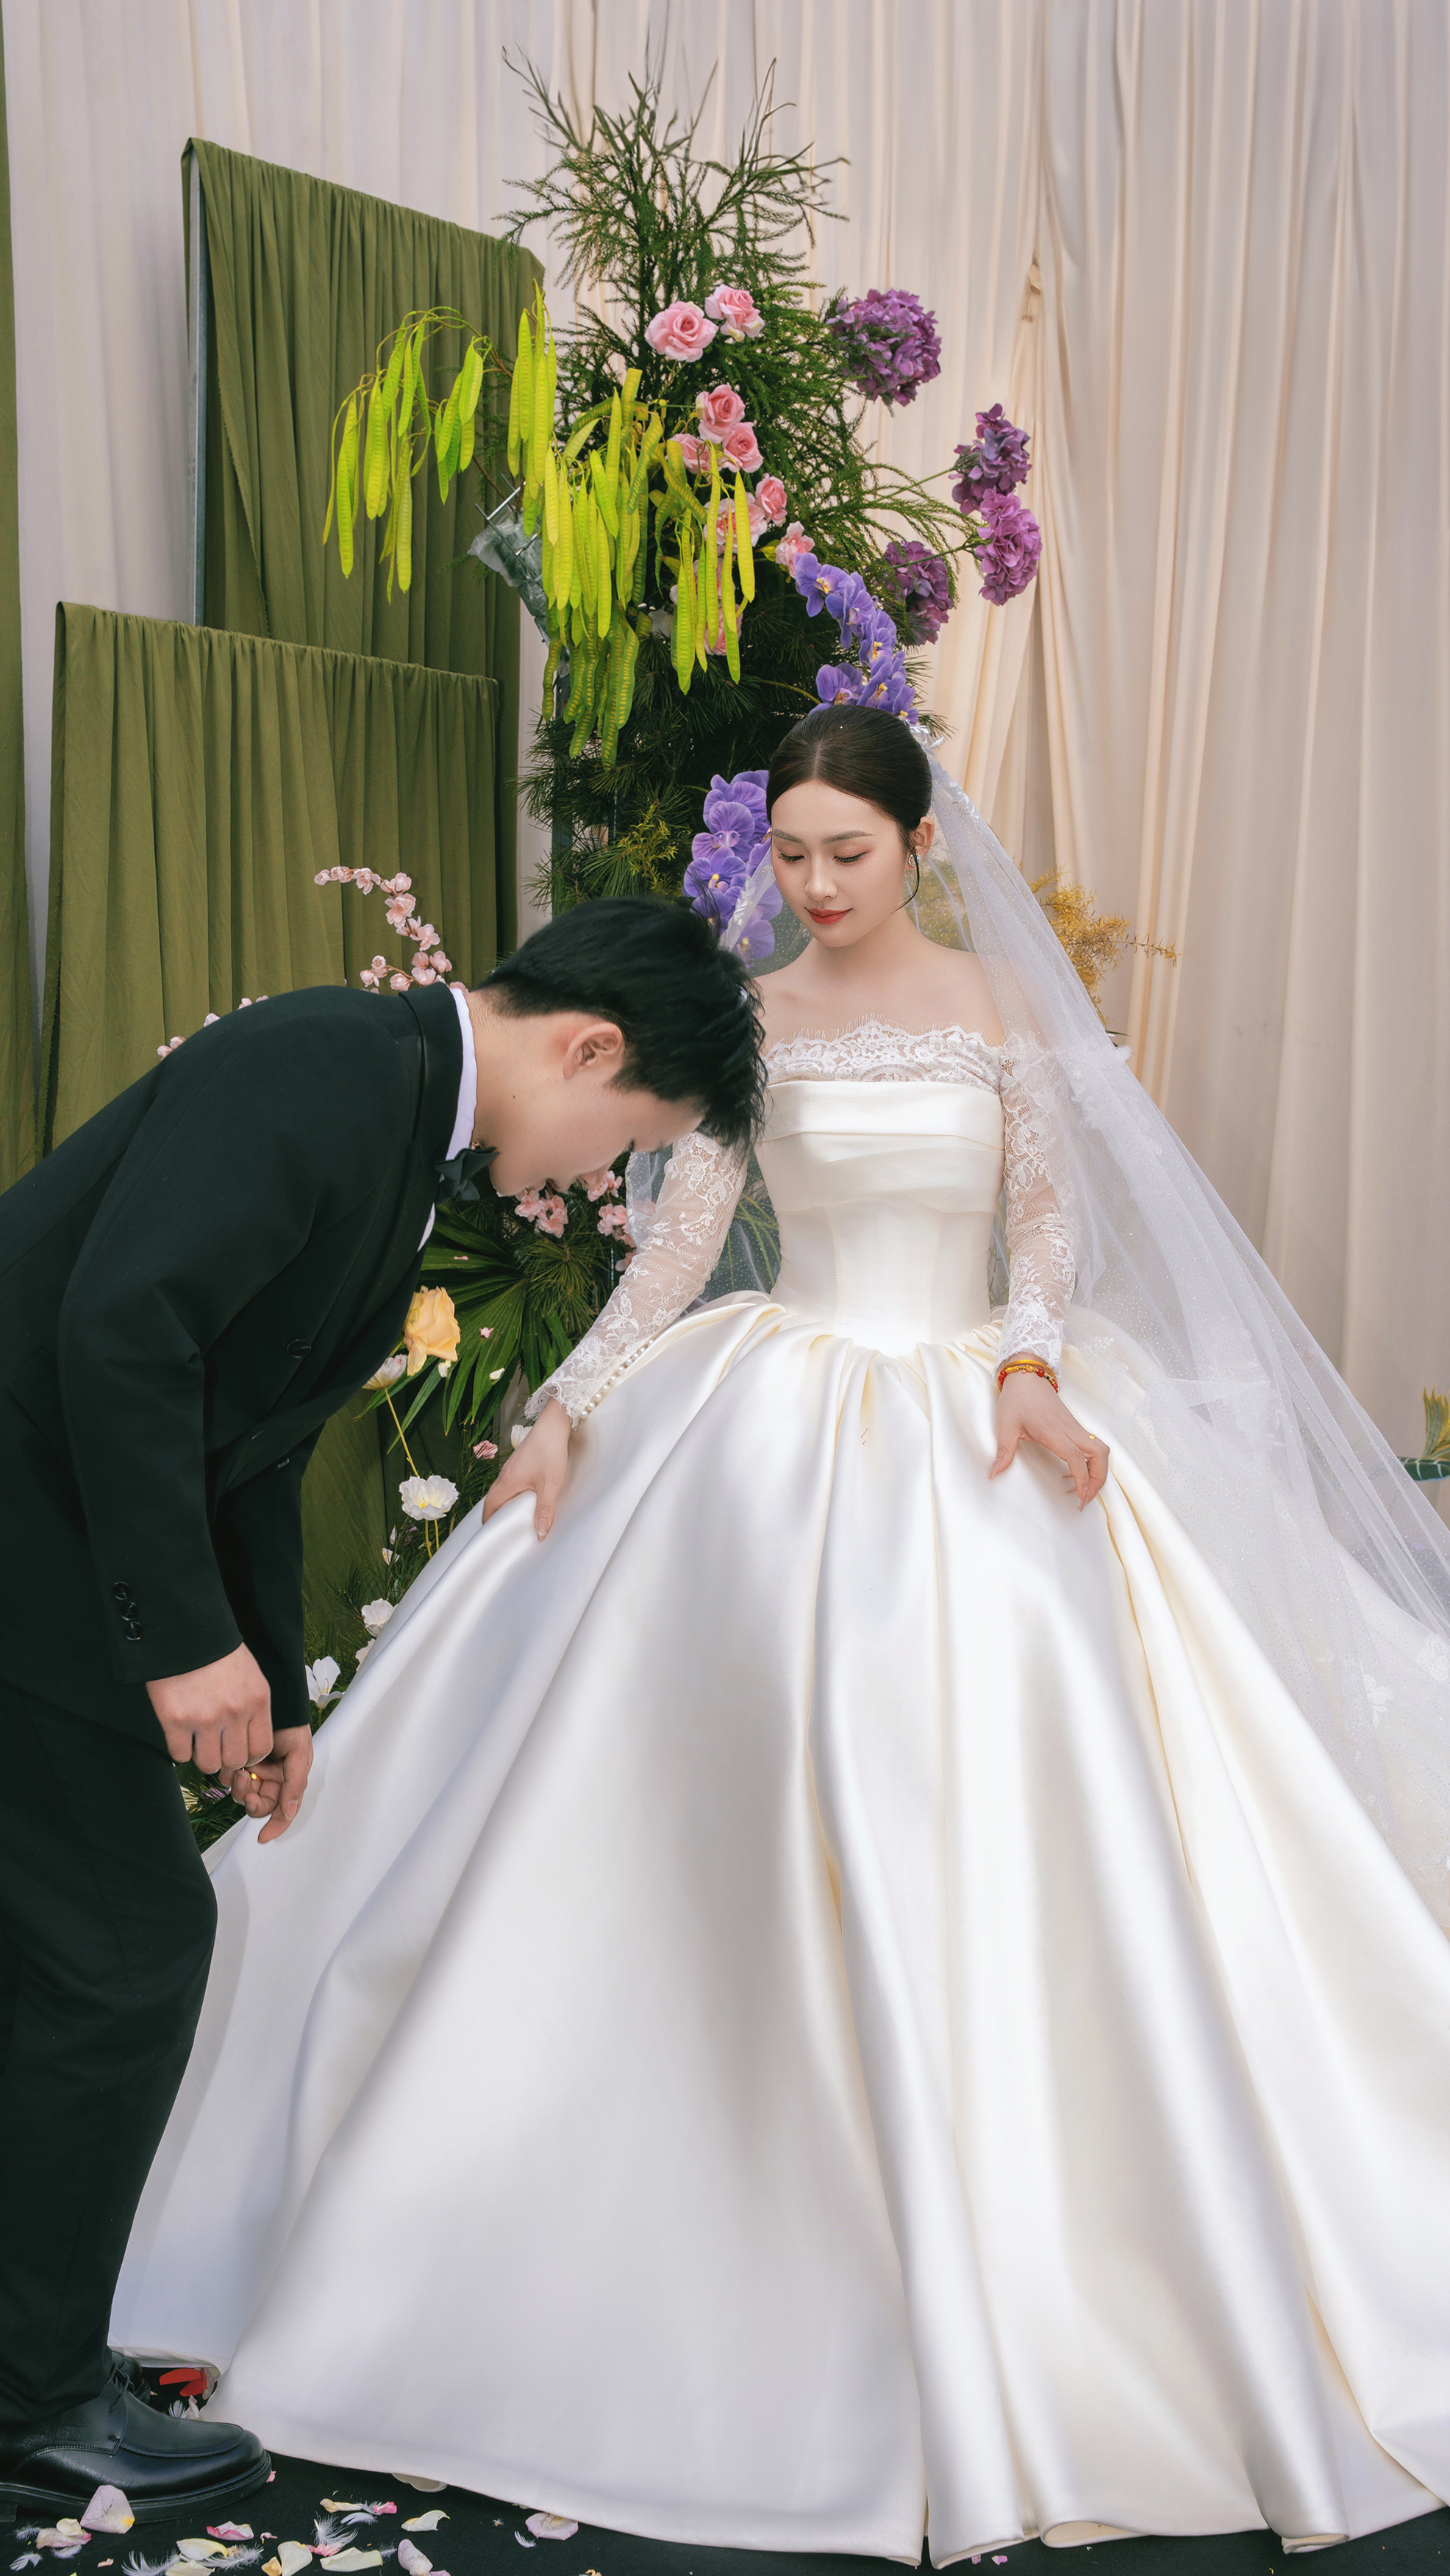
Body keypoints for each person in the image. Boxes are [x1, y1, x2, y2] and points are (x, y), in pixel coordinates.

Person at [111, 709, 1450, 2558]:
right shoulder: (742, 1025)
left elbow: (1044, 1232)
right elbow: (678, 1250)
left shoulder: (1004, 1009)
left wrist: (1030, 1365)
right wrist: (570, 1404)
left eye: (848, 852)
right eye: (793, 853)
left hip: (973, 1412)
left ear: (917, 844)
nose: (813, 884)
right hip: (775, 1417)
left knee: (1044, 1815)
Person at [0, 900, 762, 2522]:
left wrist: (272, 1686)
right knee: (125, 1953)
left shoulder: (397, 1104)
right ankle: (30, 2400)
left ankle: (30, 2353)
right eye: (627, 1138)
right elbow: (126, 1334)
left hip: (58, 1548)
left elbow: (258, 1432)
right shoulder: (326, 1063)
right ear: (591, 1049)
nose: (595, 1173)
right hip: (27, 1539)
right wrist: (177, 1641)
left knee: (71, 1955)